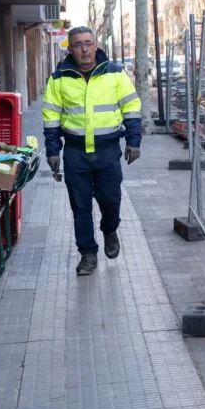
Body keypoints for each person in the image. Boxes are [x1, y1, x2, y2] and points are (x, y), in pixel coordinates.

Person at [42, 27, 142, 276]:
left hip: (108, 151)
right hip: (76, 154)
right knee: (80, 206)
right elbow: (51, 117)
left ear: (96, 45)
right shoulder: (58, 79)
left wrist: (134, 140)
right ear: (70, 49)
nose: (84, 49)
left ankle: (110, 229)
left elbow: (131, 107)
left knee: (110, 199)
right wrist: (52, 151)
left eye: (88, 43)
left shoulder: (115, 74)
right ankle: (87, 253)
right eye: (78, 44)